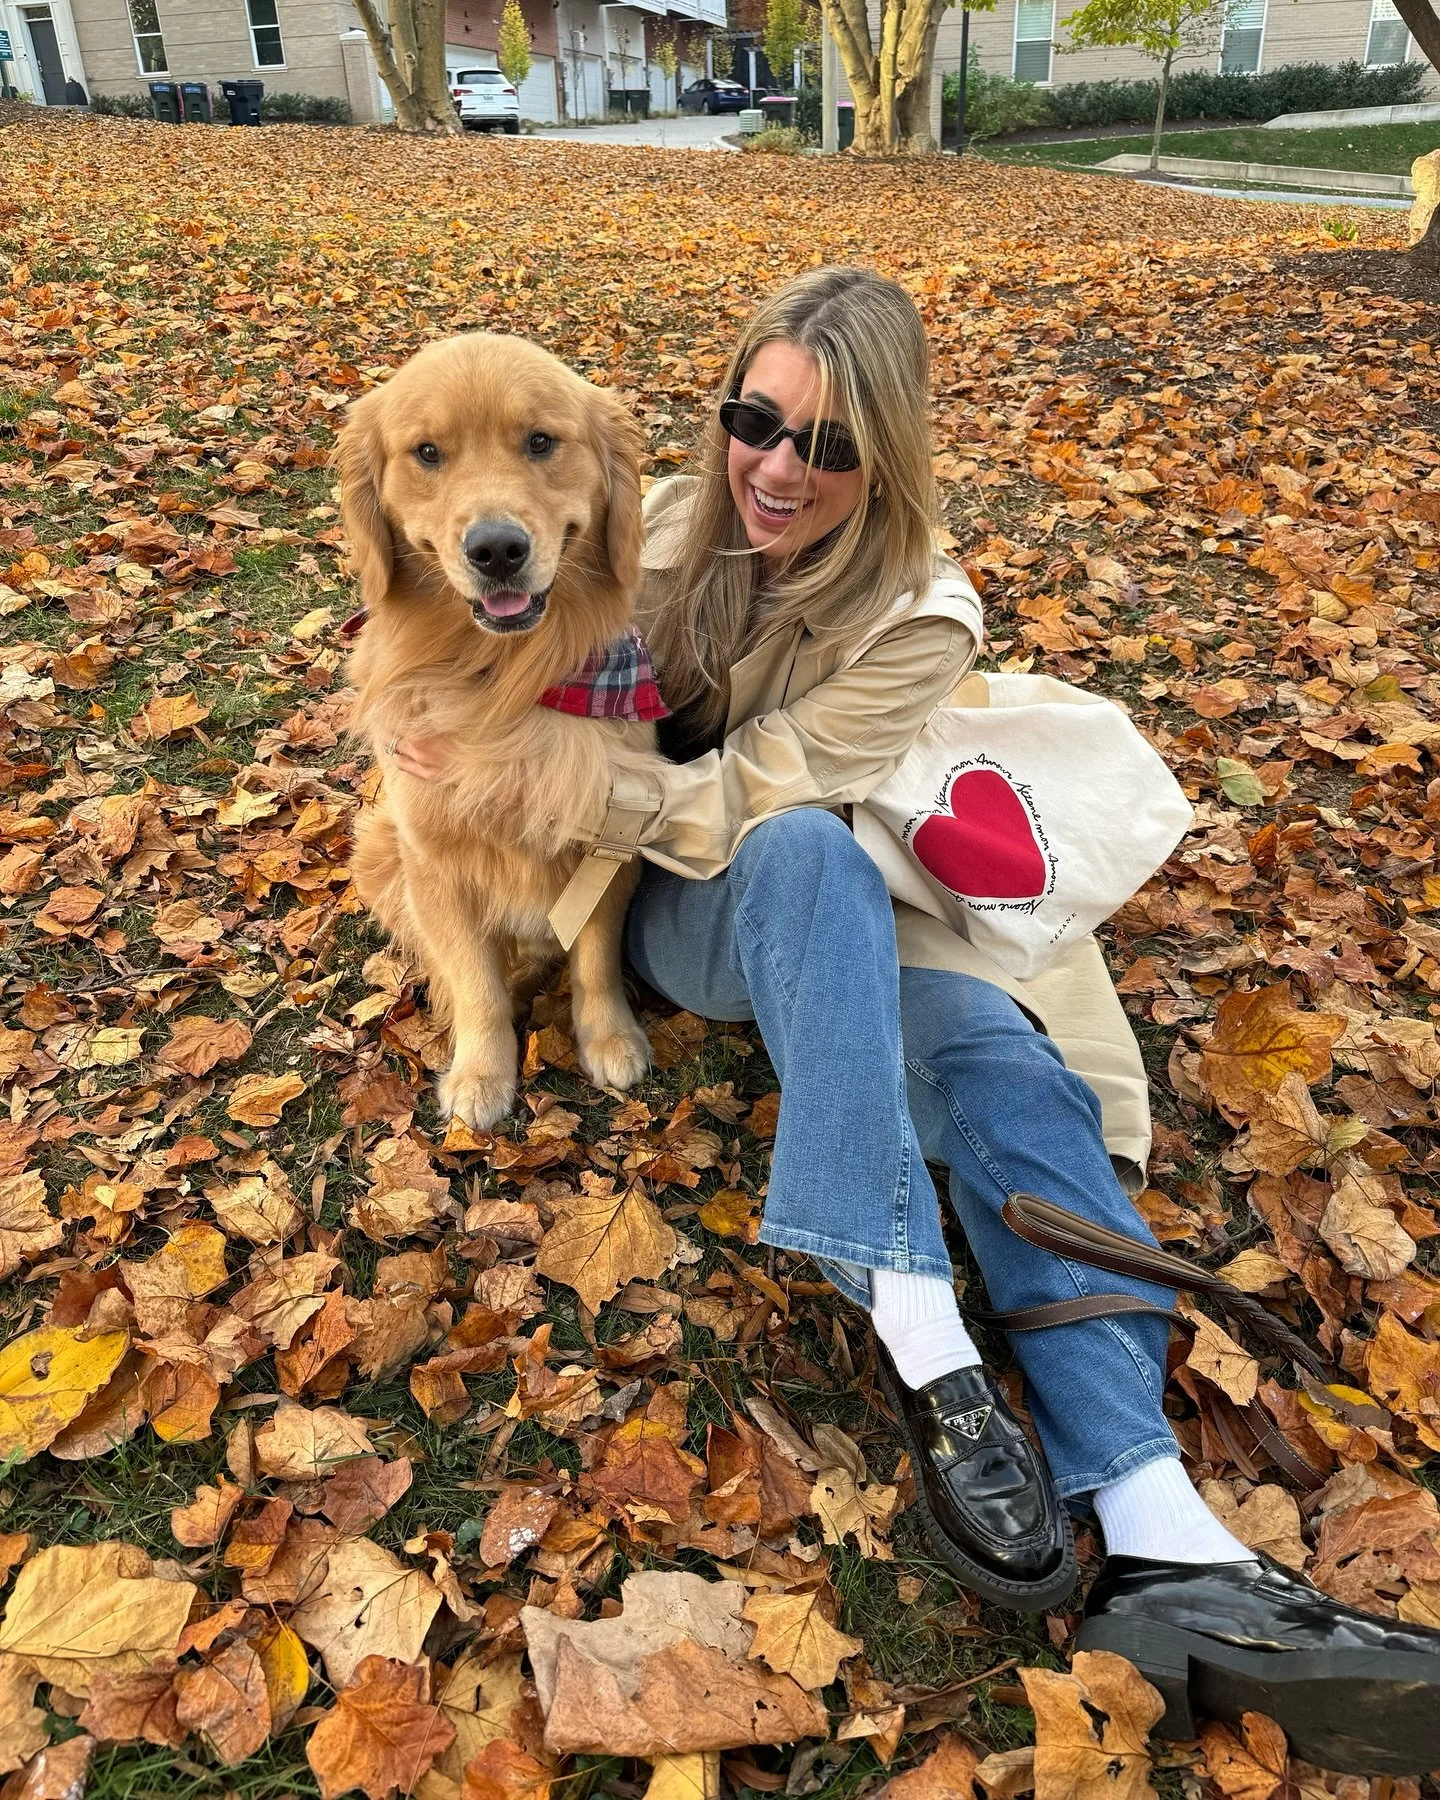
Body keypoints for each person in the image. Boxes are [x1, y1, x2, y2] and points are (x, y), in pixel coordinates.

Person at [389, 267, 1440, 1773]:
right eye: (755, 419)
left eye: (825, 444)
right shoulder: (659, 521)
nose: (775, 467)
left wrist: (525, 773)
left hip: (839, 884)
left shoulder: (921, 614)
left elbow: (749, 791)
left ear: (886, 455)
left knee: (999, 1057)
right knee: (805, 862)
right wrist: (446, 734)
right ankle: (926, 1342)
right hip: (687, 911)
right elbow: (456, 620)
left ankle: (1166, 1535)